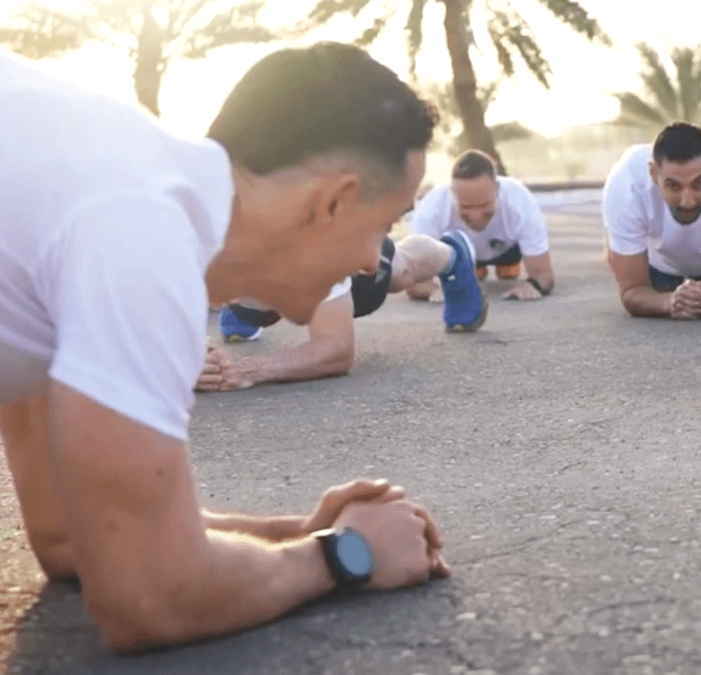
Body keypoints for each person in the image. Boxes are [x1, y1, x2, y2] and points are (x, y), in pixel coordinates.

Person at [0, 44, 455, 652]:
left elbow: (67, 535)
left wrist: (300, 532)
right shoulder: (145, 232)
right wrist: (348, 554)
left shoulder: (106, 176)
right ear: (333, 201)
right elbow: (145, 595)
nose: (375, 261)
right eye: (387, 223)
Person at [201, 229, 486, 391]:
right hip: (261, 283)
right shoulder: (177, 244)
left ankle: (452, 254)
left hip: (337, 257)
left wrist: (247, 369)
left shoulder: (309, 246)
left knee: (400, 274)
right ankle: (247, 311)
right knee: (244, 310)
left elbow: (335, 350)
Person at [602, 123, 701, 319]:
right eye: (673, 186)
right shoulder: (625, 184)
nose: (687, 201)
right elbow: (632, 292)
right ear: (653, 173)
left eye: (699, 184)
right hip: (659, 267)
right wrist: (670, 303)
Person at [406, 149, 555, 302]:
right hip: (458, 251)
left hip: (507, 248)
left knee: (508, 274)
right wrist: (435, 290)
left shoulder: (521, 200)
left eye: (484, 205)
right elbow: (414, 282)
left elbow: (543, 275)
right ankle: (472, 267)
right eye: (466, 207)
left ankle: (505, 265)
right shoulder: (431, 209)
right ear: (452, 193)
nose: (475, 216)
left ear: (498, 189)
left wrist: (534, 285)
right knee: (466, 272)